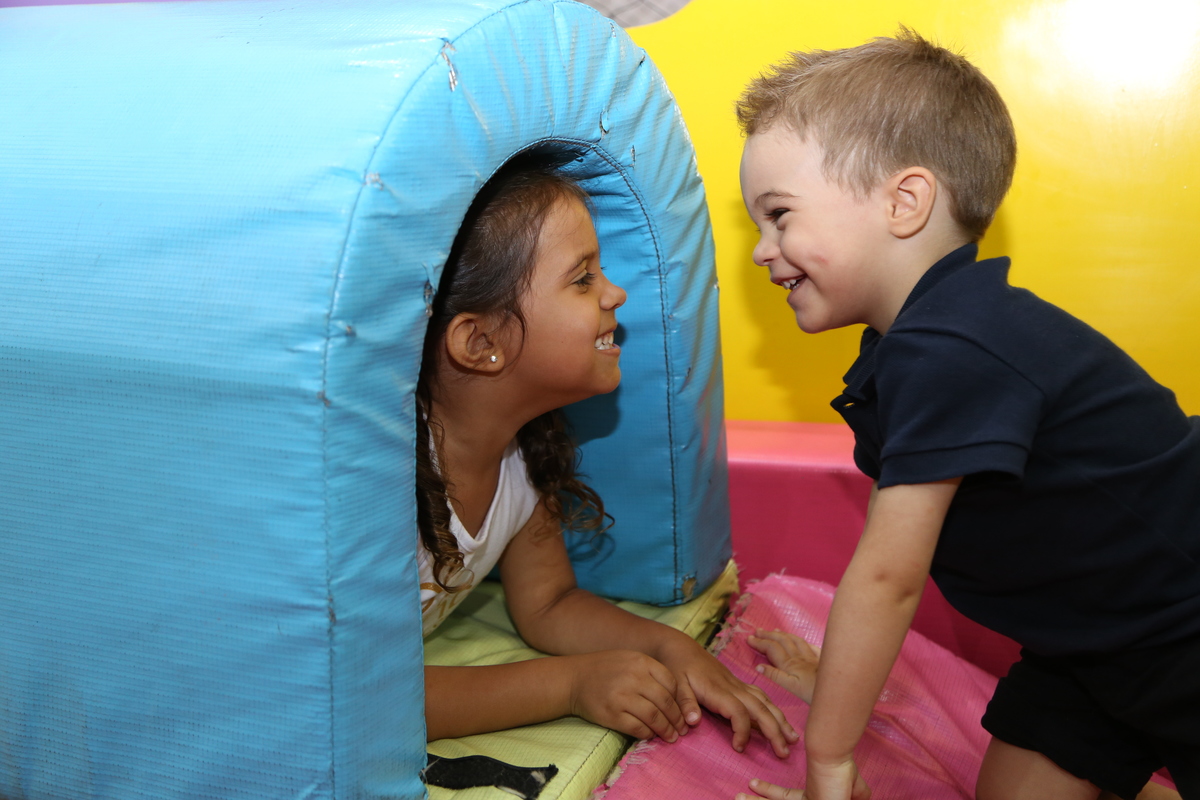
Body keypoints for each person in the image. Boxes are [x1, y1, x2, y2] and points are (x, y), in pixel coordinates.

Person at [732, 28, 1200, 800]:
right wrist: (836, 682)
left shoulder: (954, 346)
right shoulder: (917, 347)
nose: (761, 248)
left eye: (779, 215)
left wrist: (831, 757)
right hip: (1088, 644)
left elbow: (888, 577)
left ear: (904, 202)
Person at [417, 157, 798, 757]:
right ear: (480, 342)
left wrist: (671, 649)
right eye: (582, 279)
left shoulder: (518, 457)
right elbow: (362, 698)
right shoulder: (383, 481)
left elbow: (549, 604)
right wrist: (570, 686)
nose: (615, 292)